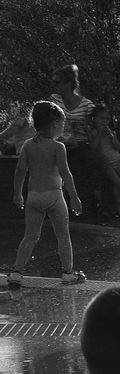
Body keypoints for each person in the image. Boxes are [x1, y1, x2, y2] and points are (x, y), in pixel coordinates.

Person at [8, 101, 84, 287]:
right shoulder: (58, 147)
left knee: (30, 236)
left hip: (34, 196)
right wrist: (74, 196)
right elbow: (65, 173)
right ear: (55, 124)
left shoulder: (27, 145)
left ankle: (17, 272)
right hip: (54, 196)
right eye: (62, 124)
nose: (63, 127)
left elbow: (20, 170)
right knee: (63, 236)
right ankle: (67, 273)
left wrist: (17, 193)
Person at [49, 64, 96, 215]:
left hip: (79, 146)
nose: (54, 85)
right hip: (59, 144)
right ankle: (56, 206)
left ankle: (81, 207)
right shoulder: (54, 100)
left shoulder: (87, 105)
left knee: (82, 164)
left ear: (68, 83)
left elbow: (94, 129)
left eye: (57, 82)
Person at [87, 105, 120, 221]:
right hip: (107, 162)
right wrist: (99, 134)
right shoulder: (92, 132)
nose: (104, 121)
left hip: (118, 160)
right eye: (101, 118)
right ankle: (119, 208)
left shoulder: (111, 132)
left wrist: (113, 137)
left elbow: (118, 147)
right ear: (94, 119)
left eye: (107, 119)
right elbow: (93, 147)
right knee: (117, 182)